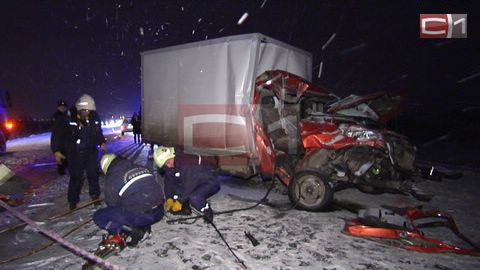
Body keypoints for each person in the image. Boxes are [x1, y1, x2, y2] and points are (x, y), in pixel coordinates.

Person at [93, 154, 164, 248]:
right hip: (159, 212)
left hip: (140, 216)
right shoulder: (140, 167)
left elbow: (112, 204)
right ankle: (144, 226)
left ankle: (129, 230)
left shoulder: (113, 177)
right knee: (138, 203)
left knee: (99, 216)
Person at [52, 94, 106, 210]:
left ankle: (95, 196)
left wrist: (101, 141)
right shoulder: (68, 118)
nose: (88, 113)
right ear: (80, 109)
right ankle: (73, 200)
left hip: (90, 151)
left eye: (89, 110)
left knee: (93, 174)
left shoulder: (94, 116)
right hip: (75, 153)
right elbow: (57, 134)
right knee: (76, 177)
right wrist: (56, 150)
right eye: (86, 110)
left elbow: (98, 131)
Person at [153, 146, 220, 223]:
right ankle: (186, 209)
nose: (168, 165)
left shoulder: (186, 162)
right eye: (165, 164)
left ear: (172, 155)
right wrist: (169, 198)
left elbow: (189, 184)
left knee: (194, 197)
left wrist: (179, 201)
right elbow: (169, 182)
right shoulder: (171, 162)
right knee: (177, 191)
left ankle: (207, 211)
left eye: (168, 162)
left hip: (210, 180)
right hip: (194, 180)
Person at [50, 100, 70, 175]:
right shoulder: (56, 116)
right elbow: (55, 132)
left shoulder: (67, 116)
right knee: (61, 157)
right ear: (58, 107)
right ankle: (61, 171)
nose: (62, 108)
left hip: (67, 141)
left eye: (64, 107)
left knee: (68, 156)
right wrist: (55, 149)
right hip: (60, 141)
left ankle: (66, 169)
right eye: (61, 107)